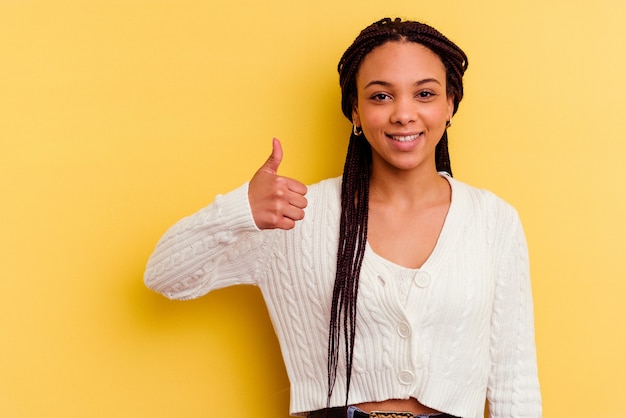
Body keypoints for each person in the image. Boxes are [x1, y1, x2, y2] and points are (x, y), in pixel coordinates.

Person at [144, 17, 542, 418]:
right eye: (380, 96)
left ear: (450, 104)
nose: (404, 114)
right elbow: (163, 276)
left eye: (424, 93)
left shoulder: (492, 221)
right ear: (354, 109)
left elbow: (515, 379)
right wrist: (238, 211)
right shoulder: (297, 216)